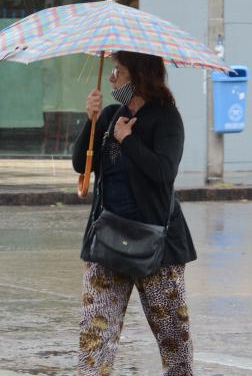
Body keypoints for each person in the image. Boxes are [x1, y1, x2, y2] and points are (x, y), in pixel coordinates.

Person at [72, 51, 197, 375]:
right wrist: (92, 120)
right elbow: (79, 163)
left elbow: (163, 172)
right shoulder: (112, 113)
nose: (113, 78)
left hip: (157, 244)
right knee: (94, 336)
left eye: (119, 72)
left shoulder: (166, 119)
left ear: (139, 77)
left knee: (173, 338)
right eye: (113, 70)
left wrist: (128, 140)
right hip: (108, 238)